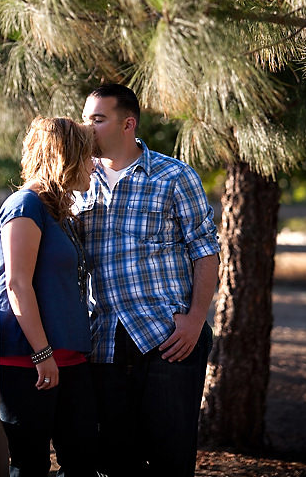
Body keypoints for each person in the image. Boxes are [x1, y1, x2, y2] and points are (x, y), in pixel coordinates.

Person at [76, 84, 221, 476]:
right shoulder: (79, 184)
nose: (86, 127)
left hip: (168, 339)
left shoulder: (174, 177)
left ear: (128, 123)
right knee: (114, 462)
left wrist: (195, 320)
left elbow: (205, 251)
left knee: (169, 461)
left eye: (97, 119)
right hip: (103, 342)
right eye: (86, 118)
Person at [0, 117, 98, 476]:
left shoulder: (57, 210)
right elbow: (17, 283)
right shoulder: (25, 205)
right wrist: (42, 354)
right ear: (66, 157)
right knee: (30, 464)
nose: (94, 164)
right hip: (29, 361)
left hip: (70, 356)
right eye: (88, 155)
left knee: (81, 461)